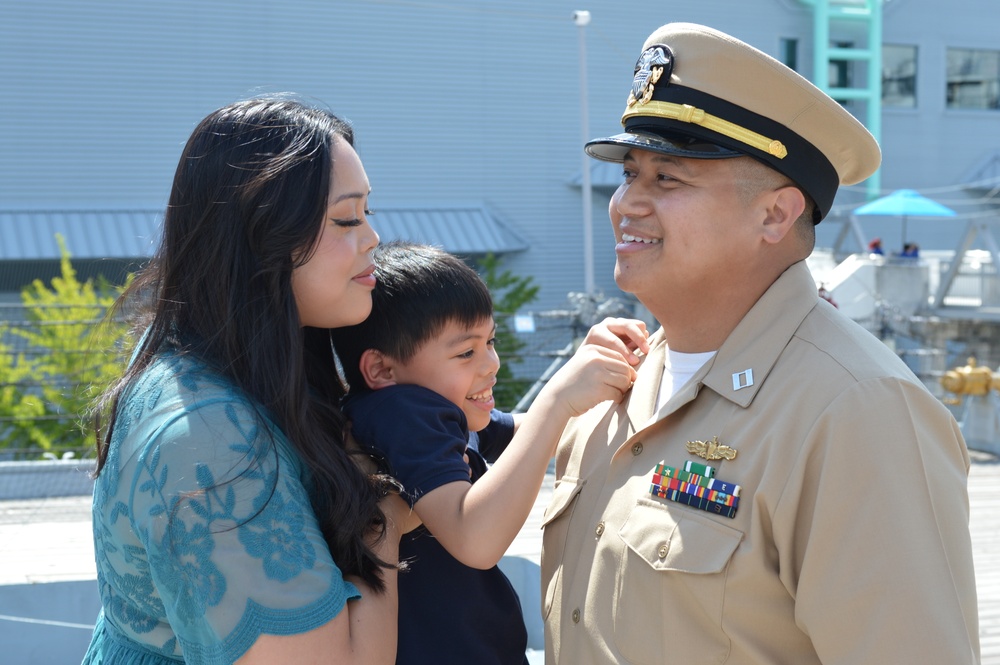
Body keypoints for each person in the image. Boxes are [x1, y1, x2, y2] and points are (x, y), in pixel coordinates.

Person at [541, 23, 980, 664]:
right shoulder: (620, 379)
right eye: (629, 172)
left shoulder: (857, 411)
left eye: (668, 179)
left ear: (774, 215)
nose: (626, 203)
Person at [84, 98, 418, 664]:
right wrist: (381, 519)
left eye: (367, 213)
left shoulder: (205, 358)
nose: (373, 238)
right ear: (262, 235)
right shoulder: (208, 436)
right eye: (346, 218)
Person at [329, 240, 644, 665]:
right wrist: (557, 401)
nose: (491, 363)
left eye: (490, 342)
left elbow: (520, 432)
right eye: (466, 352)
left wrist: (586, 372)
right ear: (383, 370)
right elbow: (474, 539)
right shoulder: (405, 410)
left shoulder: (428, 410)